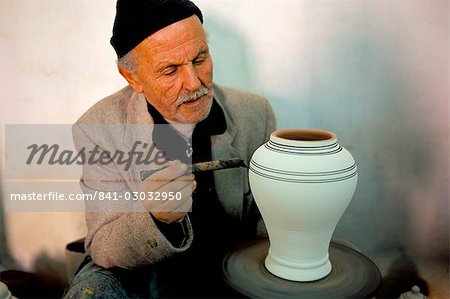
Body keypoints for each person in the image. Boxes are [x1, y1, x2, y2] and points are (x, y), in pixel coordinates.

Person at [64, 0, 276, 298]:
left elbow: (270, 221)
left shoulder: (255, 113)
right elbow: (102, 244)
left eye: (200, 58)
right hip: (146, 276)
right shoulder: (99, 128)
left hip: (234, 267)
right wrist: (154, 218)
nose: (193, 83)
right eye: (170, 70)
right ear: (133, 78)